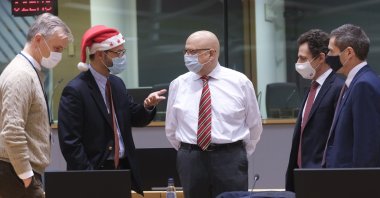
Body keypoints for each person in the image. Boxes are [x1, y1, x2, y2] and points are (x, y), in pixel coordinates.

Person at [57, 25, 166, 195]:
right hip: (93, 171)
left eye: (123, 52)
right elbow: (70, 143)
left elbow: (134, 117)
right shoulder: (76, 90)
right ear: (101, 54)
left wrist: (148, 105)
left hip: (122, 169)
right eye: (118, 53)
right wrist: (88, 176)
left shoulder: (116, 83)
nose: (122, 57)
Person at [165, 30, 263, 198]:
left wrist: (235, 154)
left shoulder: (239, 82)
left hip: (230, 158)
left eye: (193, 52)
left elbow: (254, 126)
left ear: (211, 53)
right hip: (191, 159)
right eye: (186, 51)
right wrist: (190, 151)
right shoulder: (178, 84)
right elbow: (171, 128)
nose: (188, 56)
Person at [0, 13, 72, 197]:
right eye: (57, 48)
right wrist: (26, 176)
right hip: (15, 174)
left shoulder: (30, 72)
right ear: (38, 39)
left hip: (17, 171)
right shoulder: (21, 75)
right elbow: (12, 129)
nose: (59, 54)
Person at [285, 29, 344, 192]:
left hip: (322, 176)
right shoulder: (311, 88)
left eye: (303, 58)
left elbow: (337, 138)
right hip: (300, 174)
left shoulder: (338, 88)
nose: (298, 62)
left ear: (321, 58)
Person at [323, 24, 380, 168]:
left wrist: (359, 187)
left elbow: (367, 146)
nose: (328, 57)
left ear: (348, 53)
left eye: (331, 51)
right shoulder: (357, 82)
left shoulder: (363, 85)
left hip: (352, 183)